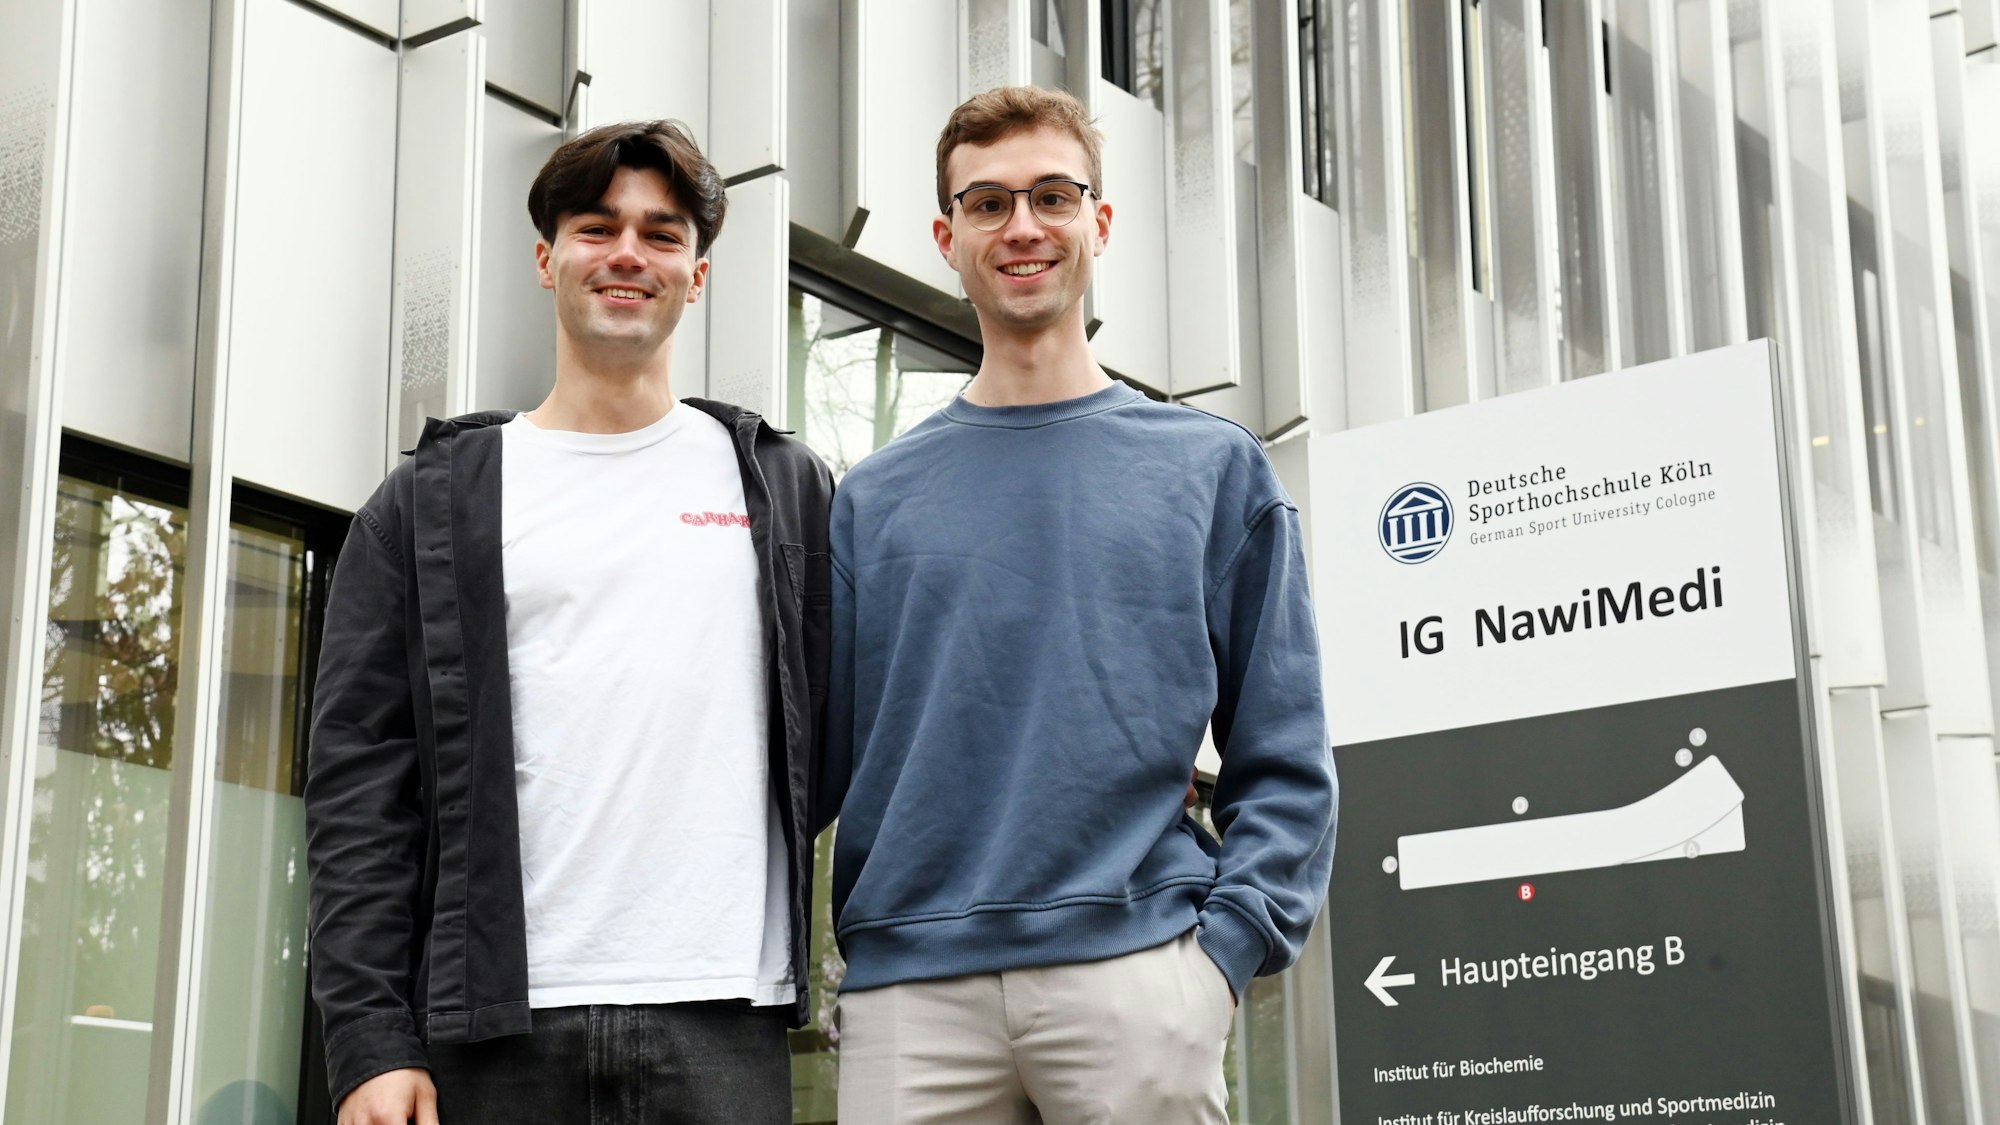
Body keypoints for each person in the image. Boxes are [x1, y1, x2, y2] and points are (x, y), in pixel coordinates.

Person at [817, 85, 1338, 1122]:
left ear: (1097, 223)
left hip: (1137, 979)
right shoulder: (869, 502)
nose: (1020, 226)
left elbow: (1283, 752)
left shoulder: (1209, 471)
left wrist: (1221, 958)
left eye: (1052, 196)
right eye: (986, 203)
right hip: (910, 1001)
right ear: (945, 236)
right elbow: (813, 767)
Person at [306, 119, 833, 1125]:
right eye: (597, 228)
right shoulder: (430, 503)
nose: (628, 253)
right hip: (490, 1031)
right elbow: (360, 793)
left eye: (662, 232)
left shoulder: (781, 488)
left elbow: (838, 741)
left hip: (725, 1013)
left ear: (698, 273)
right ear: (547, 260)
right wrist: (369, 1040)